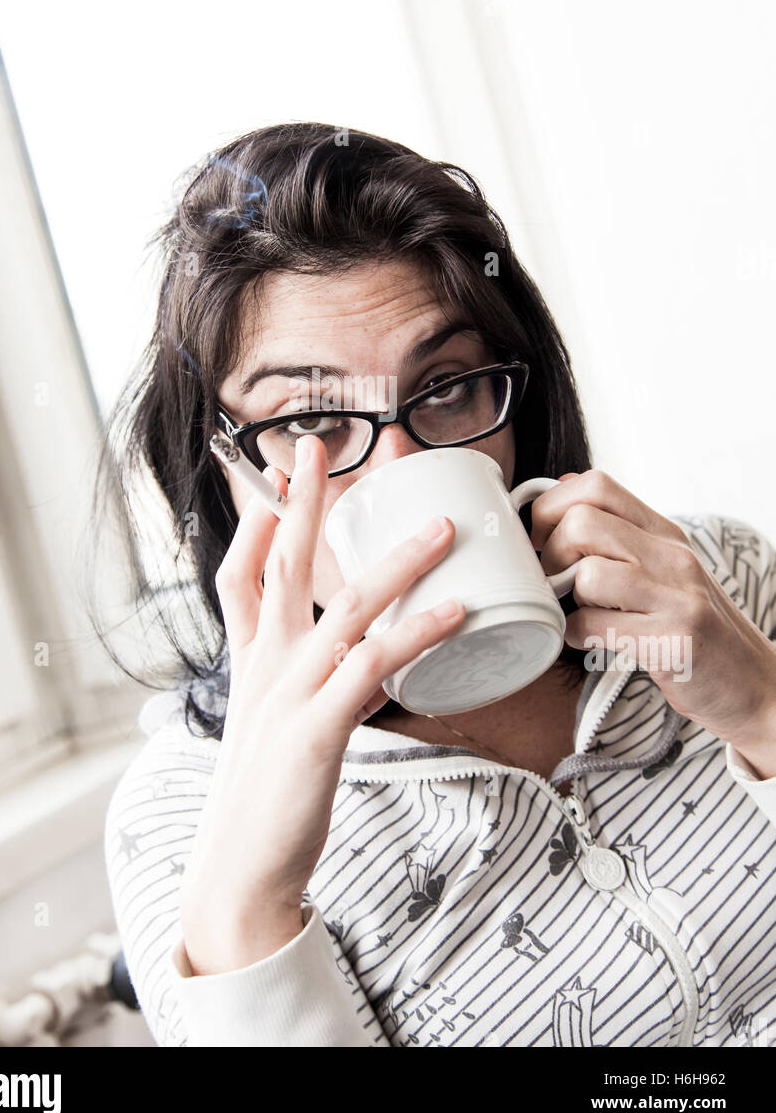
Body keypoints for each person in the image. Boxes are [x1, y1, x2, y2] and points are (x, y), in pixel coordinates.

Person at [97, 122, 776, 1047]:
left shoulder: (714, 581)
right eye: (312, 421)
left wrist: (762, 705)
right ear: (225, 465)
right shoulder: (182, 812)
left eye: (448, 386)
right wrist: (248, 909)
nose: (402, 475)